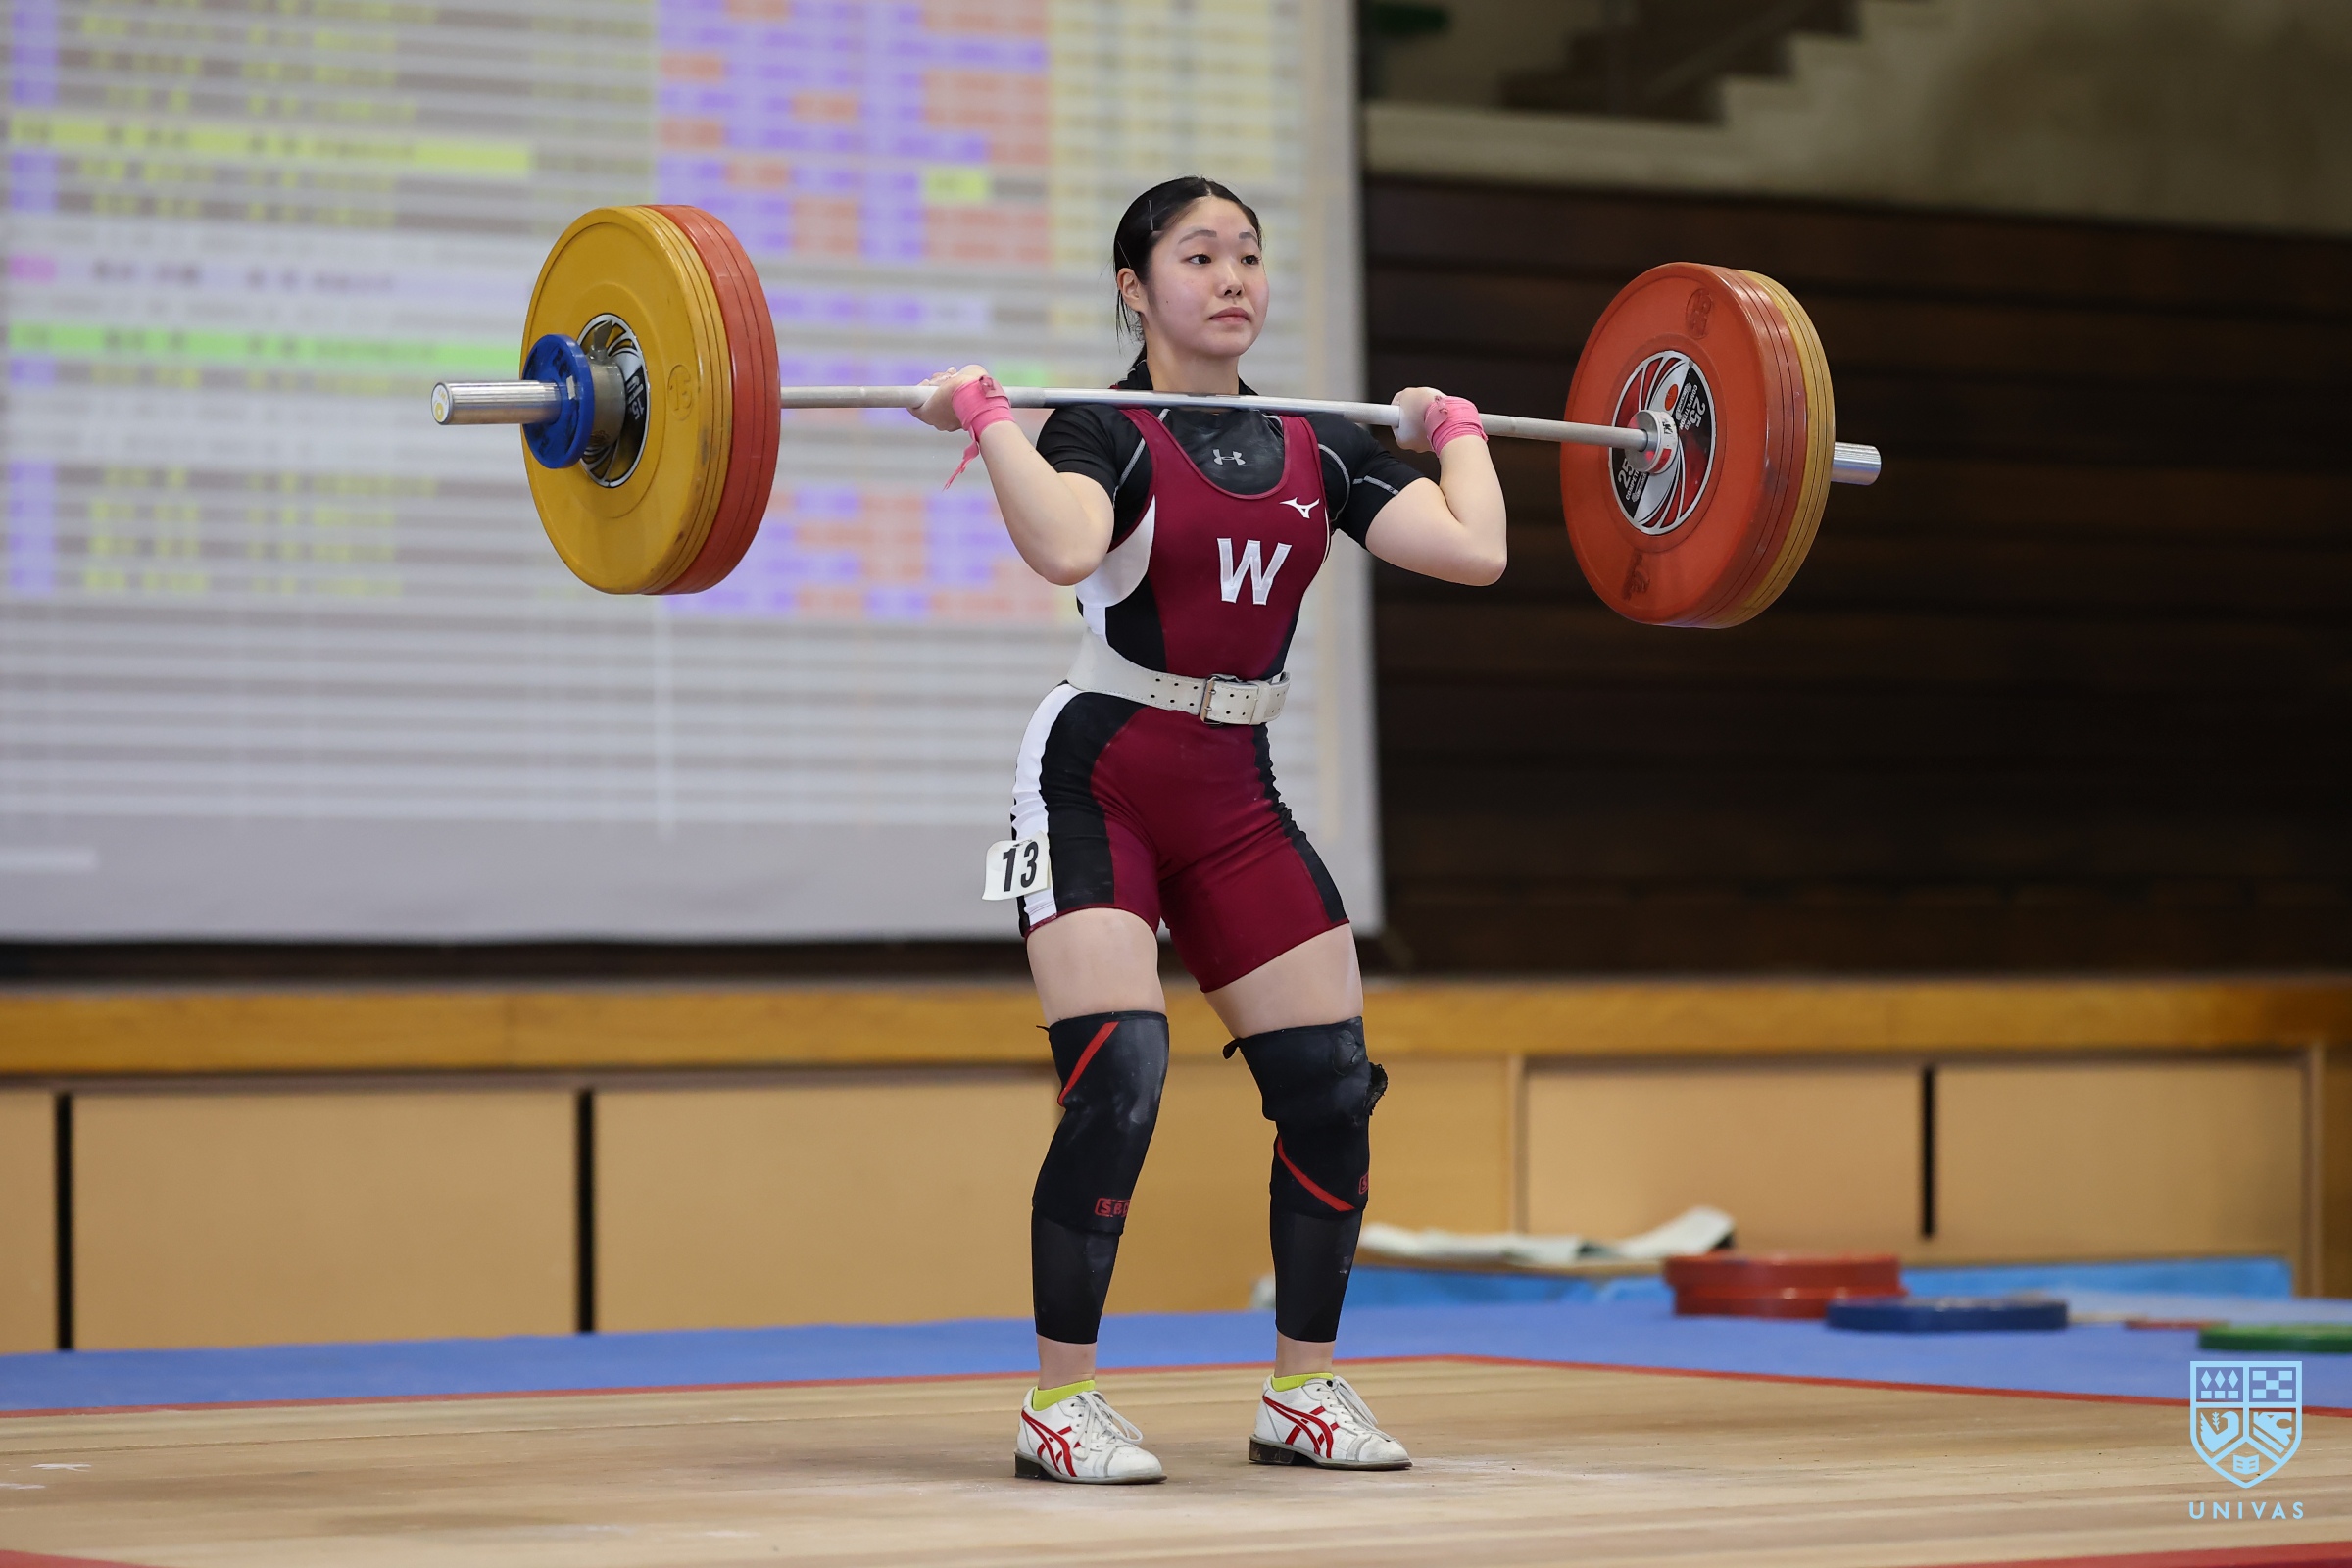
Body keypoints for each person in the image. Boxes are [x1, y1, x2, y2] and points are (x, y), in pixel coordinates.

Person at [912, 175, 1505, 1484]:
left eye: (1248, 254)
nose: (1232, 277)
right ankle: (1060, 1404)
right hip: (1097, 775)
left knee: (1332, 1087)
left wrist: (1452, 430)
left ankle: (1302, 1391)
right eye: (1198, 256)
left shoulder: (1320, 444)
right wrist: (992, 422)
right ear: (1135, 289)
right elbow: (1065, 547)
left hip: (1234, 784)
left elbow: (1476, 551)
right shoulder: (1104, 427)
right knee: (1121, 1072)